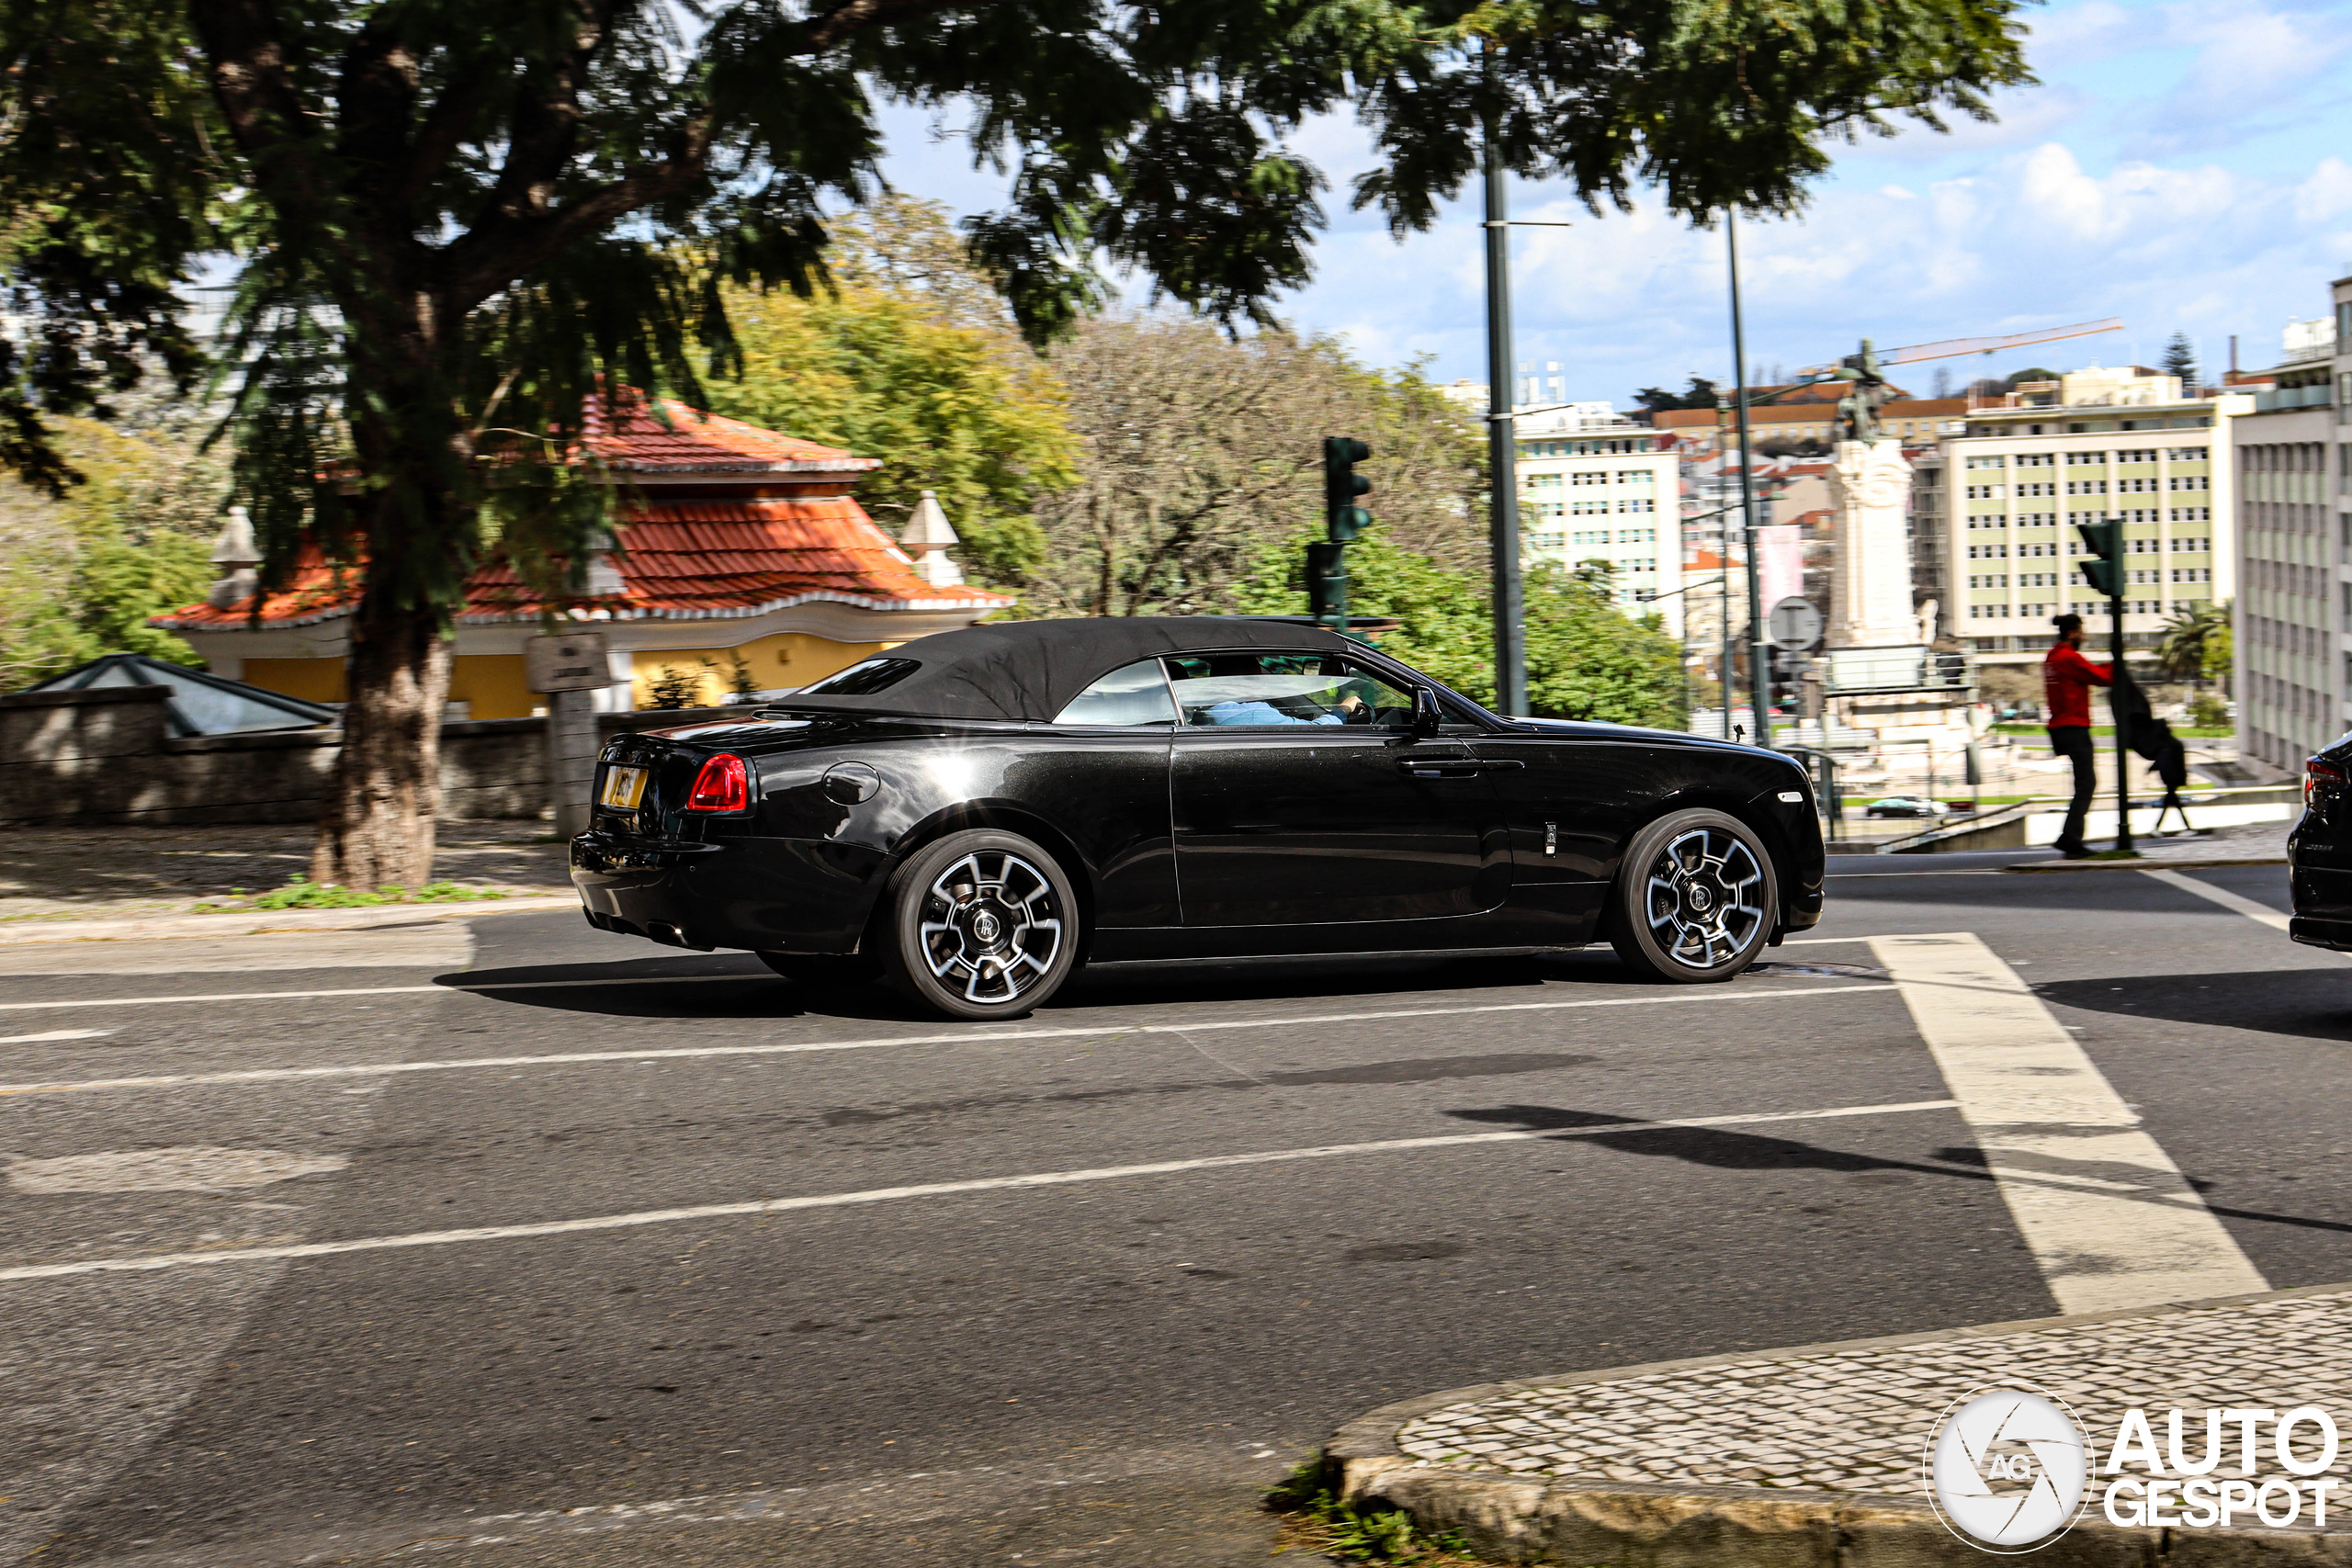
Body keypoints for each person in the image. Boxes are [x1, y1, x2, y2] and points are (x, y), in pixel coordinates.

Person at [2044, 613, 2112, 858]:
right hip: (2074, 726)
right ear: (2072, 633)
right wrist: (2116, 659)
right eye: (2082, 632)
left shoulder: (2051, 657)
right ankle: (2071, 840)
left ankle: (2068, 837)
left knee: (2082, 784)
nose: (2084, 637)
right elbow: (2104, 678)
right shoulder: (2069, 657)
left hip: (2059, 728)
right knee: (2087, 785)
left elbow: (2090, 674)